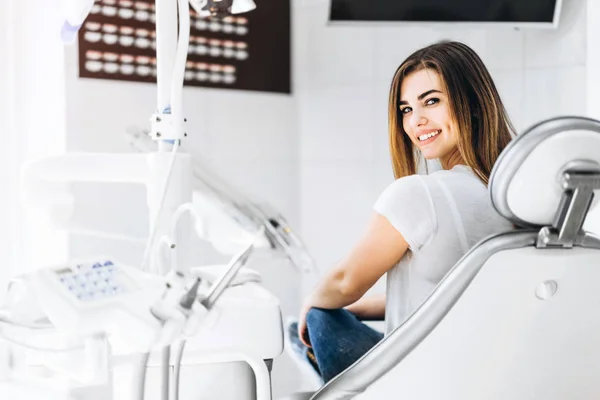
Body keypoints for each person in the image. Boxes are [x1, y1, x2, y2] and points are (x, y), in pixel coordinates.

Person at [286, 40, 516, 385]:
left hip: (415, 381)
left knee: (311, 320)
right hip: (479, 375)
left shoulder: (419, 193)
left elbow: (345, 282)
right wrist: (360, 309)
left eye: (432, 101)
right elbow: (447, 294)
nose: (416, 121)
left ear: (471, 104)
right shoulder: (515, 198)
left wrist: (311, 304)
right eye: (406, 109)